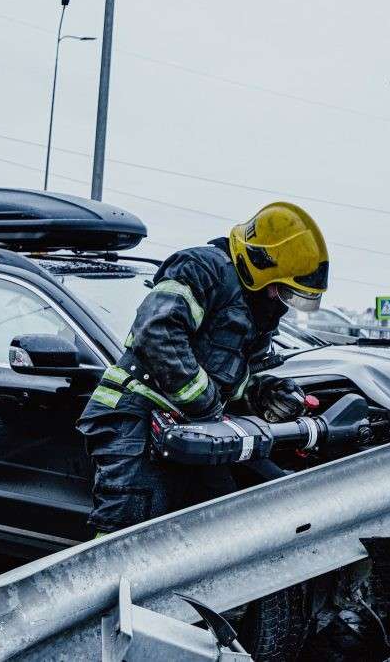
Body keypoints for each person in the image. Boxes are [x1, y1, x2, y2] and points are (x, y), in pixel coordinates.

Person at [77, 202, 329, 535]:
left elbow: (232, 378)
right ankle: (99, 586)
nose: (278, 298)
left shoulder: (256, 305)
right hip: (134, 418)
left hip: (193, 430)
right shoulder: (201, 268)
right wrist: (207, 403)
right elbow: (157, 334)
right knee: (126, 538)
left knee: (217, 528)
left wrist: (262, 391)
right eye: (281, 288)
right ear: (259, 262)